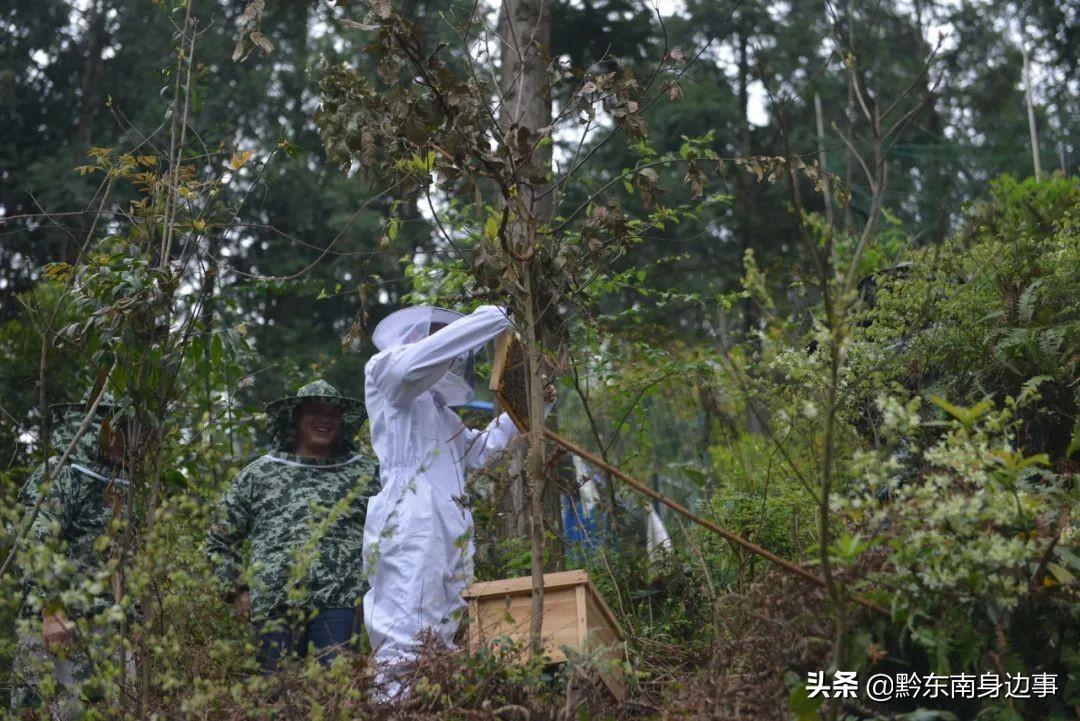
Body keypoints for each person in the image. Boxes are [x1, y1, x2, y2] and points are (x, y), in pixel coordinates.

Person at [362, 304, 555, 695]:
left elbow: (480, 452)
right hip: (410, 518)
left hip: (449, 522)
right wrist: (488, 318)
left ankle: (429, 705)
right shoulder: (384, 372)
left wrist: (539, 408)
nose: (454, 351)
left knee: (441, 634)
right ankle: (393, 706)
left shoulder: (443, 415)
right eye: (434, 336)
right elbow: (409, 369)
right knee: (405, 634)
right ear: (413, 338)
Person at [205, 380, 377, 673]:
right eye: (314, 410)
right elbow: (219, 540)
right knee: (275, 695)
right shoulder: (260, 473)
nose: (324, 418)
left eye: (332, 413)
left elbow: (396, 531)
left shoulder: (366, 473)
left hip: (341, 604)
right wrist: (236, 592)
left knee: (335, 694)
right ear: (295, 419)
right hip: (275, 605)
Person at [9, 394, 130, 719]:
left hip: (104, 628)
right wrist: (52, 609)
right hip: (58, 625)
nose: (126, 438)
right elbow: (37, 542)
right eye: (118, 429)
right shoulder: (61, 473)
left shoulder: (120, 483)